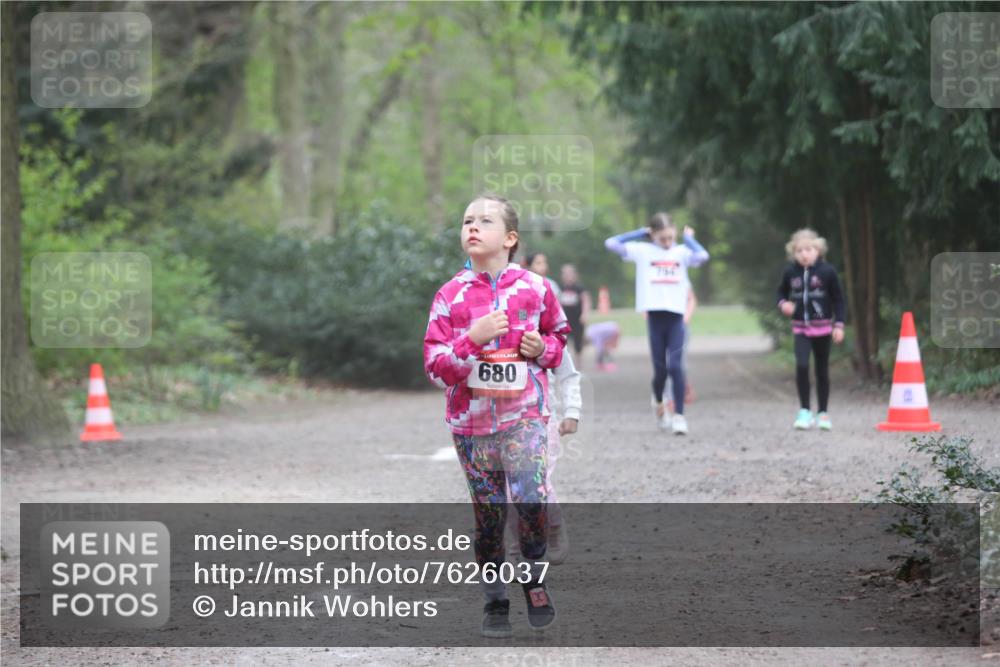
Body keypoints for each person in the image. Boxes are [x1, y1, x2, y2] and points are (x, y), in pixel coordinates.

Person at [424, 194, 568, 637]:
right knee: (489, 517)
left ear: (509, 238)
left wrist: (543, 348)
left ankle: (534, 580)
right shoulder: (449, 295)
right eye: (467, 220)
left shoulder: (536, 288)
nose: (472, 227)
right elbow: (436, 366)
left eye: (485, 221)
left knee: (530, 499)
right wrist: (472, 338)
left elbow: (559, 337)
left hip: (525, 416)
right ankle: (495, 599)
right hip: (472, 426)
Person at [506, 254, 582, 568]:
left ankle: (553, 525)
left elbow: (568, 373)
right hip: (503, 419)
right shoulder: (499, 337)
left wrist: (572, 411)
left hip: (541, 417)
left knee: (536, 482)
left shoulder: (546, 339)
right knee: (509, 489)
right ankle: (516, 543)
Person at [605, 212, 709, 435]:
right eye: (662, 238)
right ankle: (660, 405)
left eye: (671, 237)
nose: (667, 242)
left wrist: (688, 239)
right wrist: (640, 233)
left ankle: (679, 416)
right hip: (655, 318)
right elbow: (611, 243)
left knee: (676, 367)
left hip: (676, 318)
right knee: (660, 371)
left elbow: (703, 256)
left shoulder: (681, 252)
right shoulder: (643, 251)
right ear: (653, 235)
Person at [776, 228, 846, 430]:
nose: (804, 254)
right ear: (793, 253)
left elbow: (839, 300)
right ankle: (805, 411)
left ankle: (823, 413)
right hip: (800, 329)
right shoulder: (790, 272)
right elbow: (781, 292)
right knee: (802, 366)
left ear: (818, 250)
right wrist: (783, 304)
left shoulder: (827, 272)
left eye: (808, 249)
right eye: (799, 251)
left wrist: (839, 325)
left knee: (822, 370)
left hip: (823, 329)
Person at [667, 287, 697, 413]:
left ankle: (683, 387)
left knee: (679, 363)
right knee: (665, 362)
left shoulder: (680, 279)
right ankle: (670, 398)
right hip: (660, 327)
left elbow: (691, 300)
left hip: (680, 326)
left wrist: (685, 319)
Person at [558, 264, 591, 359]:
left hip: (577, 319)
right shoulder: (560, 288)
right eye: (565, 274)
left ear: (575, 275)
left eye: (570, 273)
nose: (568, 276)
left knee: (578, 342)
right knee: (564, 342)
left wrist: (585, 314)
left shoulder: (579, 288)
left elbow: (586, 300)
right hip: (565, 320)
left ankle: (578, 362)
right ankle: (566, 362)